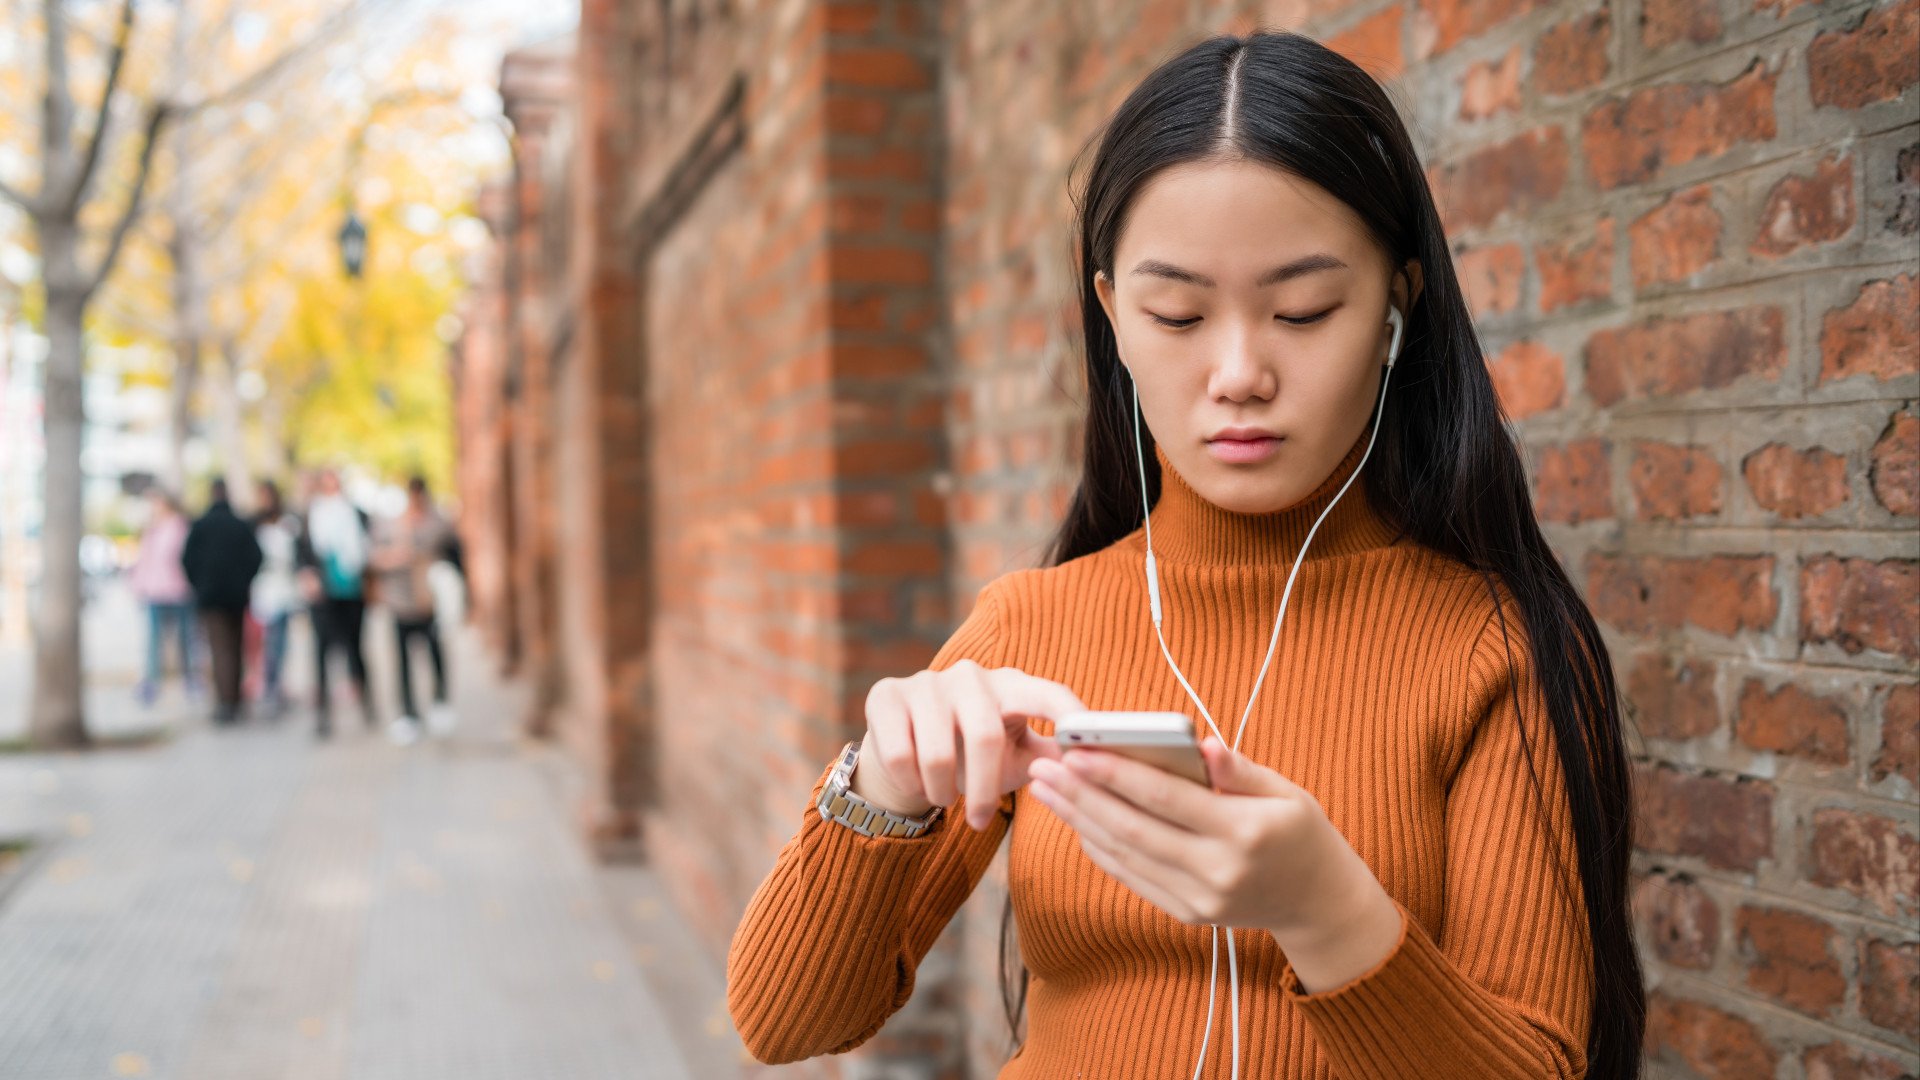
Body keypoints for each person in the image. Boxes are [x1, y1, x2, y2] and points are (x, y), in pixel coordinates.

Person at [727, 31, 1644, 1080]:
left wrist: (1327, 911)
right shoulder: (1033, 628)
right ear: (1114, 316)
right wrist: (881, 783)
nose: (1240, 372)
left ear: (1399, 305)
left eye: (1303, 311)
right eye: (1178, 314)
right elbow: (780, 1021)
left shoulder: (1493, 645)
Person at [371, 475, 456, 745]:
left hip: (428, 601)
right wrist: (397, 553)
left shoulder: (437, 523)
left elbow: (451, 551)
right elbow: (375, 558)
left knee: (435, 654)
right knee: (402, 661)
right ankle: (408, 714)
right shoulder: (391, 525)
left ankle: (440, 702)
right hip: (400, 602)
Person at [299, 468, 375, 740]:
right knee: (322, 653)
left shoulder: (355, 513)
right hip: (323, 595)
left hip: (351, 591)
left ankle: (367, 703)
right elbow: (303, 553)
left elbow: (368, 548)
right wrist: (308, 576)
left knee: (355, 649)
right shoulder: (311, 516)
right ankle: (323, 714)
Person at [181, 479, 263, 725]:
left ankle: (226, 701)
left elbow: (186, 560)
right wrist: (243, 581)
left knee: (220, 649)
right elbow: (256, 557)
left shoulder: (200, 526)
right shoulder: (240, 525)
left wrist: (200, 584)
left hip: (211, 596)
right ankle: (233, 699)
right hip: (236, 595)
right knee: (235, 648)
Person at [127, 488, 199, 707]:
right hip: (155, 591)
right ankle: (151, 683)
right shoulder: (151, 530)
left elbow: (184, 557)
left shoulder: (180, 527)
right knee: (154, 640)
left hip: (179, 590)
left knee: (185, 639)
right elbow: (144, 561)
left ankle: (191, 679)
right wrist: (138, 586)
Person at [250, 479, 302, 718]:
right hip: (263, 589)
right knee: (266, 641)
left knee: (279, 641)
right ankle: (267, 683)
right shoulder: (253, 524)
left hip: (283, 588)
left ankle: (276, 684)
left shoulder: (288, 523)